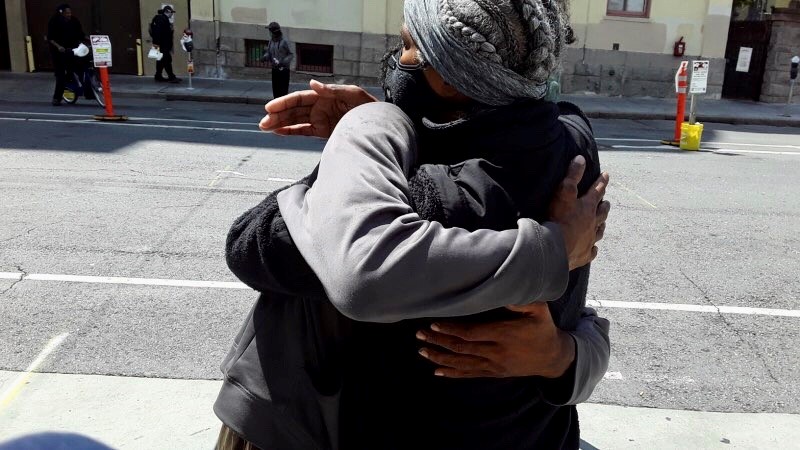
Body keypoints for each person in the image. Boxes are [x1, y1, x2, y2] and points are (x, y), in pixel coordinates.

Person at [214, 0, 611, 449]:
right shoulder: (571, 150)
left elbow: (253, 243)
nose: (396, 59)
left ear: (446, 75)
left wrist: (371, 135)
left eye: (406, 44)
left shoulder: (437, 198)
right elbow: (580, 315)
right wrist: (564, 356)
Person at [47, 4, 85, 106]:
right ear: (61, 13)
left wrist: (89, 39)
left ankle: (77, 86)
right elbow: (50, 38)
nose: (69, 14)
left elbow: (80, 34)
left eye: (70, 12)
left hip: (71, 50)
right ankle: (57, 98)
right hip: (58, 53)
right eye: (67, 13)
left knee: (78, 67)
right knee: (61, 76)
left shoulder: (74, 20)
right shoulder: (54, 21)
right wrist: (58, 46)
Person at [260, 22, 293, 99]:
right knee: (276, 91)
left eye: (270, 31)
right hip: (275, 69)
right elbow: (269, 52)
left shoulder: (284, 41)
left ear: (275, 32)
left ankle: (283, 108)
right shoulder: (271, 41)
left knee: (283, 92)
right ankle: (277, 108)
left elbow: (291, 54)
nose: (269, 33)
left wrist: (283, 63)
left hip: (283, 70)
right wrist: (264, 58)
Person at [150, 5, 181, 83]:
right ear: (167, 12)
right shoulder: (162, 19)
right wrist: (157, 43)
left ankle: (158, 75)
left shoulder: (162, 19)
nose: (172, 14)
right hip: (162, 45)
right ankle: (171, 77)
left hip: (162, 44)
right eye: (171, 13)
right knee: (167, 60)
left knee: (160, 60)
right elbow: (158, 32)